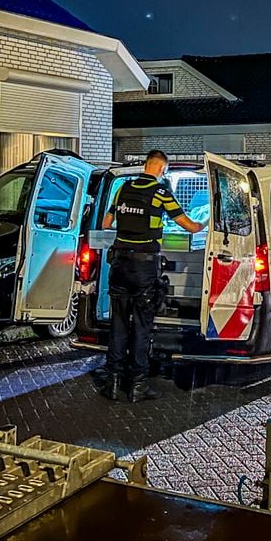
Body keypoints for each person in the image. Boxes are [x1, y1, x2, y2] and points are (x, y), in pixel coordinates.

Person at [101, 150, 205, 402]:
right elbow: (188, 225)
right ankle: (137, 386)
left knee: (118, 326)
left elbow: (106, 224)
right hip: (144, 270)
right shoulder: (161, 193)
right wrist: (205, 225)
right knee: (141, 327)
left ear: (146, 165)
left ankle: (113, 384)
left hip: (119, 266)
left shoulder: (123, 189)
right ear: (162, 170)